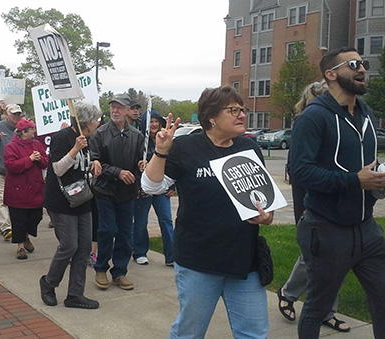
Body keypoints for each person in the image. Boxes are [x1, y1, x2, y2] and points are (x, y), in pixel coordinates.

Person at [142, 86, 274, 338]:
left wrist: (267, 217)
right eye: (233, 110)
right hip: (198, 262)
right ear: (211, 117)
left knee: (254, 333)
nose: (242, 115)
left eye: (242, 110)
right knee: (190, 332)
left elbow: (266, 205)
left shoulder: (250, 149)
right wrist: (161, 152)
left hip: (245, 262)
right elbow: (151, 186)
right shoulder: (186, 147)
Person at [289, 47, 385, 339]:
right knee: (317, 307)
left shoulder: (366, 116)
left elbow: (365, 166)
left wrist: (378, 179)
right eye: (354, 64)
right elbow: (300, 172)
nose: (362, 69)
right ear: (331, 74)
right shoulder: (314, 117)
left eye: (363, 64)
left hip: (366, 229)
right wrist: (355, 181)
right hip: (326, 228)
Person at [277, 81, 350, 332]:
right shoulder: (306, 125)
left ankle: (325, 310)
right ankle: (289, 293)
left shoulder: (339, 124)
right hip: (311, 202)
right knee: (315, 255)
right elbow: (302, 173)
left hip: (338, 201)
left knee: (336, 257)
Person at [40, 102, 102, 309]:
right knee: (69, 246)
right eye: (97, 120)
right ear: (88, 121)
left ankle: (75, 294)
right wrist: (75, 149)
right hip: (62, 201)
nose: (98, 123)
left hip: (82, 199)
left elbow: (83, 165)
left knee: (83, 249)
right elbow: (57, 169)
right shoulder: (63, 138)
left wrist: (94, 164)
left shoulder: (89, 140)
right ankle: (48, 283)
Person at [89, 93, 144, 291]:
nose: (115, 110)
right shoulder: (100, 134)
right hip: (105, 191)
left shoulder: (137, 136)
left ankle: (119, 271)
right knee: (107, 230)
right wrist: (117, 172)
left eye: (120, 107)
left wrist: (141, 166)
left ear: (128, 110)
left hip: (127, 193)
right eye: (113, 107)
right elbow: (95, 163)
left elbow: (141, 163)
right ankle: (101, 268)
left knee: (125, 233)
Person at [132, 110, 174, 266]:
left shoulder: (165, 140)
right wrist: (138, 166)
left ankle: (171, 255)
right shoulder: (139, 141)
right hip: (144, 188)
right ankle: (140, 252)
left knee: (166, 220)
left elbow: (172, 164)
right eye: (151, 121)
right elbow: (132, 161)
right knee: (141, 222)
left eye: (157, 121)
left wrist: (172, 185)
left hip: (162, 188)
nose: (154, 124)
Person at [4, 119, 48, 259]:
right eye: (31, 129)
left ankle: (26, 235)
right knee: (19, 219)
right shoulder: (11, 146)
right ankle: (20, 247)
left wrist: (40, 159)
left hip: (35, 187)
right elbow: (11, 165)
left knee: (36, 216)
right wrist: (29, 159)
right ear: (24, 132)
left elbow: (46, 160)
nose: (34, 132)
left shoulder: (36, 144)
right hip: (18, 189)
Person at [0, 103, 24, 240]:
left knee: (15, 200)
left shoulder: (22, 129)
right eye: (13, 113)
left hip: (16, 171)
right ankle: (6, 226)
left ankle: (9, 224)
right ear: (7, 114)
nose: (16, 116)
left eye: (18, 113)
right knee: (1, 199)